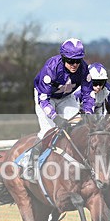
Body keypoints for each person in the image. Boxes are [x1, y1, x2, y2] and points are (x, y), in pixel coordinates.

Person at [24, 38, 95, 180]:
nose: (75, 64)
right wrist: (56, 117)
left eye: (78, 60)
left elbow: (88, 94)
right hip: (46, 98)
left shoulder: (84, 69)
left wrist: (88, 113)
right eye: (70, 61)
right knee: (48, 131)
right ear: (63, 58)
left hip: (66, 98)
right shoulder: (51, 68)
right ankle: (29, 165)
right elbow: (43, 99)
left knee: (79, 128)